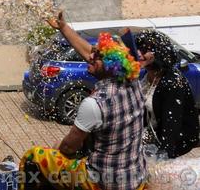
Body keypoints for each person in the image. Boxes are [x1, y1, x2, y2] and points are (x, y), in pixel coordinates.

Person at [20, 11, 146, 190]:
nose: (91, 56)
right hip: (134, 179)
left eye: (98, 56)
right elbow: (89, 52)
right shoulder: (132, 82)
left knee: (35, 157)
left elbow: (69, 148)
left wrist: (58, 149)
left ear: (112, 66)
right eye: (95, 52)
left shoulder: (95, 104)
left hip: (101, 182)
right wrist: (63, 27)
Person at [135, 29, 199, 158]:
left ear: (158, 52)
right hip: (152, 138)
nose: (138, 54)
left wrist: (162, 158)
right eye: (137, 49)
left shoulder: (172, 82)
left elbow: (171, 127)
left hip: (178, 148)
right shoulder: (147, 75)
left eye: (144, 50)